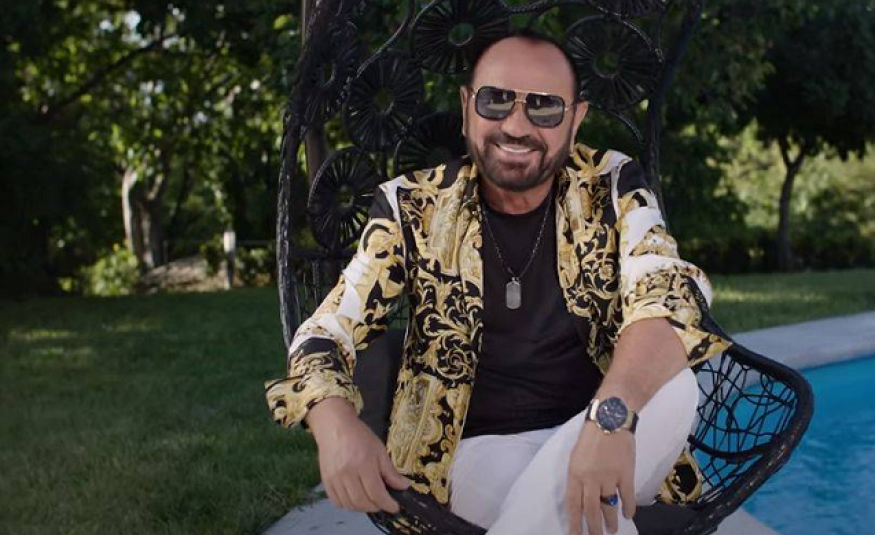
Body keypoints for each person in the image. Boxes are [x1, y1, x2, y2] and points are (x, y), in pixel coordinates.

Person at [264, 28, 732, 535]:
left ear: (576, 119)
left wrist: (606, 421)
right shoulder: (411, 207)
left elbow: (668, 293)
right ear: (467, 106)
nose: (516, 125)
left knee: (675, 386)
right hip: (474, 451)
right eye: (496, 100)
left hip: (606, 425)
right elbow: (326, 331)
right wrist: (334, 424)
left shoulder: (610, 185)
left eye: (545, 107)